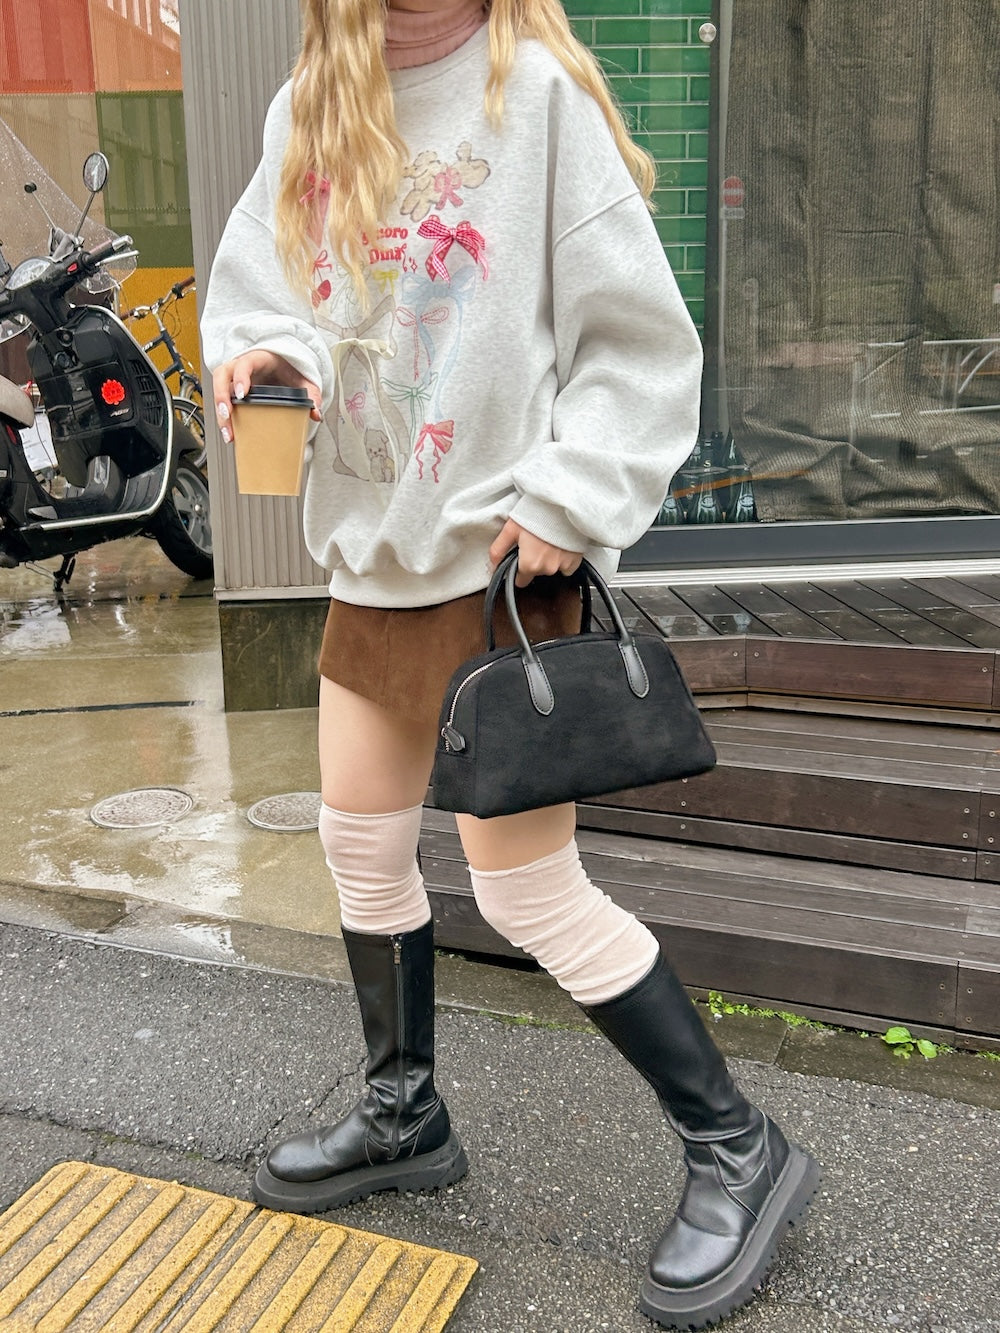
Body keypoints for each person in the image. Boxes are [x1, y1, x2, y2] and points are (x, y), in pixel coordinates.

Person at [201, 0, 820, 1326]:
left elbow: (637, 341)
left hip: (498, 572)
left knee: (528, 891)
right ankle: (403, 1115)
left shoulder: (533, 94)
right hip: (370, 559)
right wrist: (263, 358)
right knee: (360, 846)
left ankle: (739, 1145)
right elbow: (269, 290)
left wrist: (574, 495)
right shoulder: (312, 101)